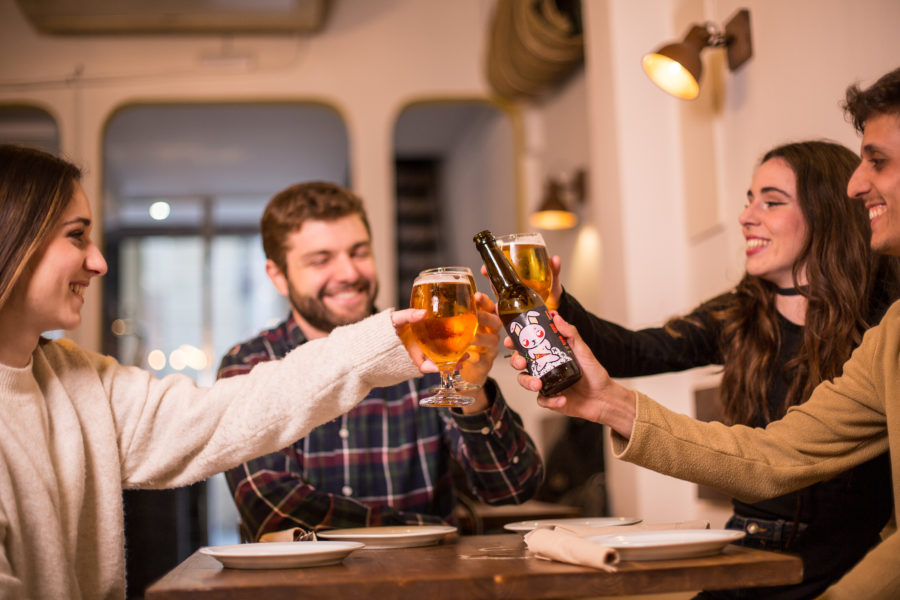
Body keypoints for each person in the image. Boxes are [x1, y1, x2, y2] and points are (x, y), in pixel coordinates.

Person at [515, 67, 900, 599]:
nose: (746, 216)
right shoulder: (741, 312)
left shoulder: (885, 314)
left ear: (827, 214)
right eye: (748, 198)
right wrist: (559, 308)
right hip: (749, 546)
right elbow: (635, 350)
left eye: (771, 201)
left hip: (847, 555)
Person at [0, 144, 435, 599]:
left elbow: (233, 414)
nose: (99, 262)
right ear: (13, 237)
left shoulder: (77, 379)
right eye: (76, 236)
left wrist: (389, 342)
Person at [218, 181, 542, 540]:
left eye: (359, 252)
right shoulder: (250, 363)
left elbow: (513, 488)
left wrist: (473, 388)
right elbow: (274, 509)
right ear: (278, 276)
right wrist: (431, 530)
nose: (349, 273)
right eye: (321, 260)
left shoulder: (425, 344)